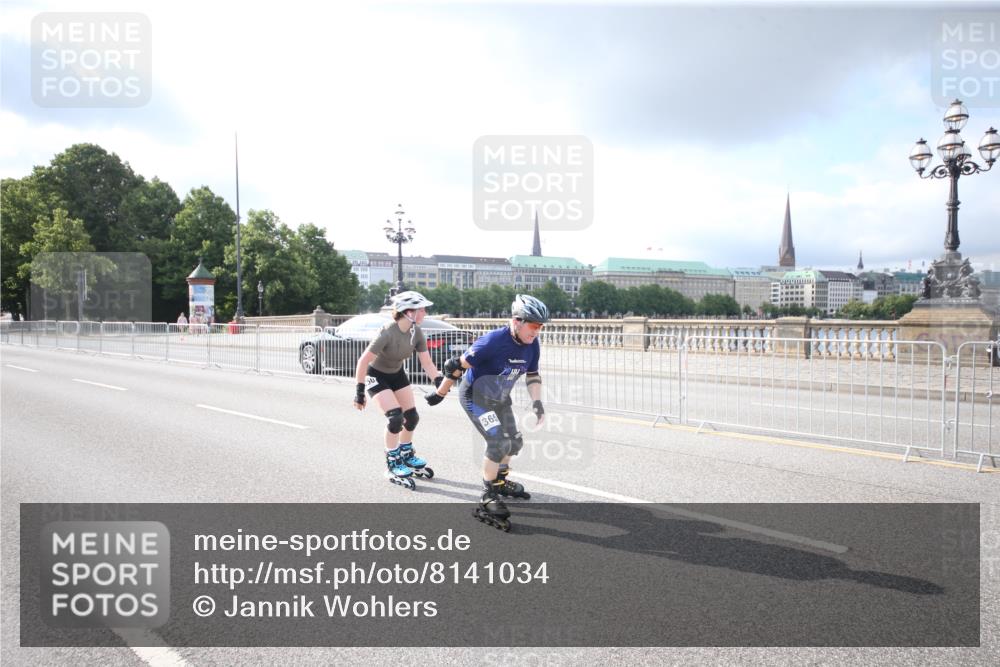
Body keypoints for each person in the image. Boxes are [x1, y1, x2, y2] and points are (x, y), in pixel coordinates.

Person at [425, 294, 548, 530]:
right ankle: (487, 495)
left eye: (540, 326)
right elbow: (455, 366)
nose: (536, 331)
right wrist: (440, 393)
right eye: (533, 325)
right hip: (476, 397)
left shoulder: (533, 344)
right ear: (517, 321)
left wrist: (537, 402)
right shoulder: (492, 341)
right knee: (498, 442)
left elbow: (532, 375)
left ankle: (500, 481)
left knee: (514, 442)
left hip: (500, 399)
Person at [353, 291, 445, 490]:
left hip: (396, 374)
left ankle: (406, 453)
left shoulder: (416, 332)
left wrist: (439, 381)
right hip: (376, 375)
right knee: (395, 418)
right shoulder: (387, 331)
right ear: (409, 312)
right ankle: (393, 462)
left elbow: (427, 362)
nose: (425, 312)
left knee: (411, 417)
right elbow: (363, 361)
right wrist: (359, 391)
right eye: (422, 309)